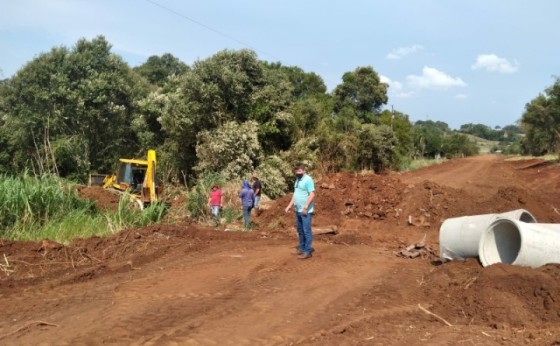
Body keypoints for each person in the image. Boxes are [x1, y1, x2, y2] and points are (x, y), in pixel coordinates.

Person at [284, 163, 315, 260]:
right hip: (298, 210)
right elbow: (295, 194)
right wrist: (289, 205)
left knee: (306, 231)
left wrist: (306, 207)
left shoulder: (308, 179)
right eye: (296, 171)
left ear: (304, 170)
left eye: (299, 171)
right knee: (300, 230)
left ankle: (307, 251)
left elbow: (312, 194)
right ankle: (301, 248)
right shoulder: (297, 180)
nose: (298, 173)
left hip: (305, 211)